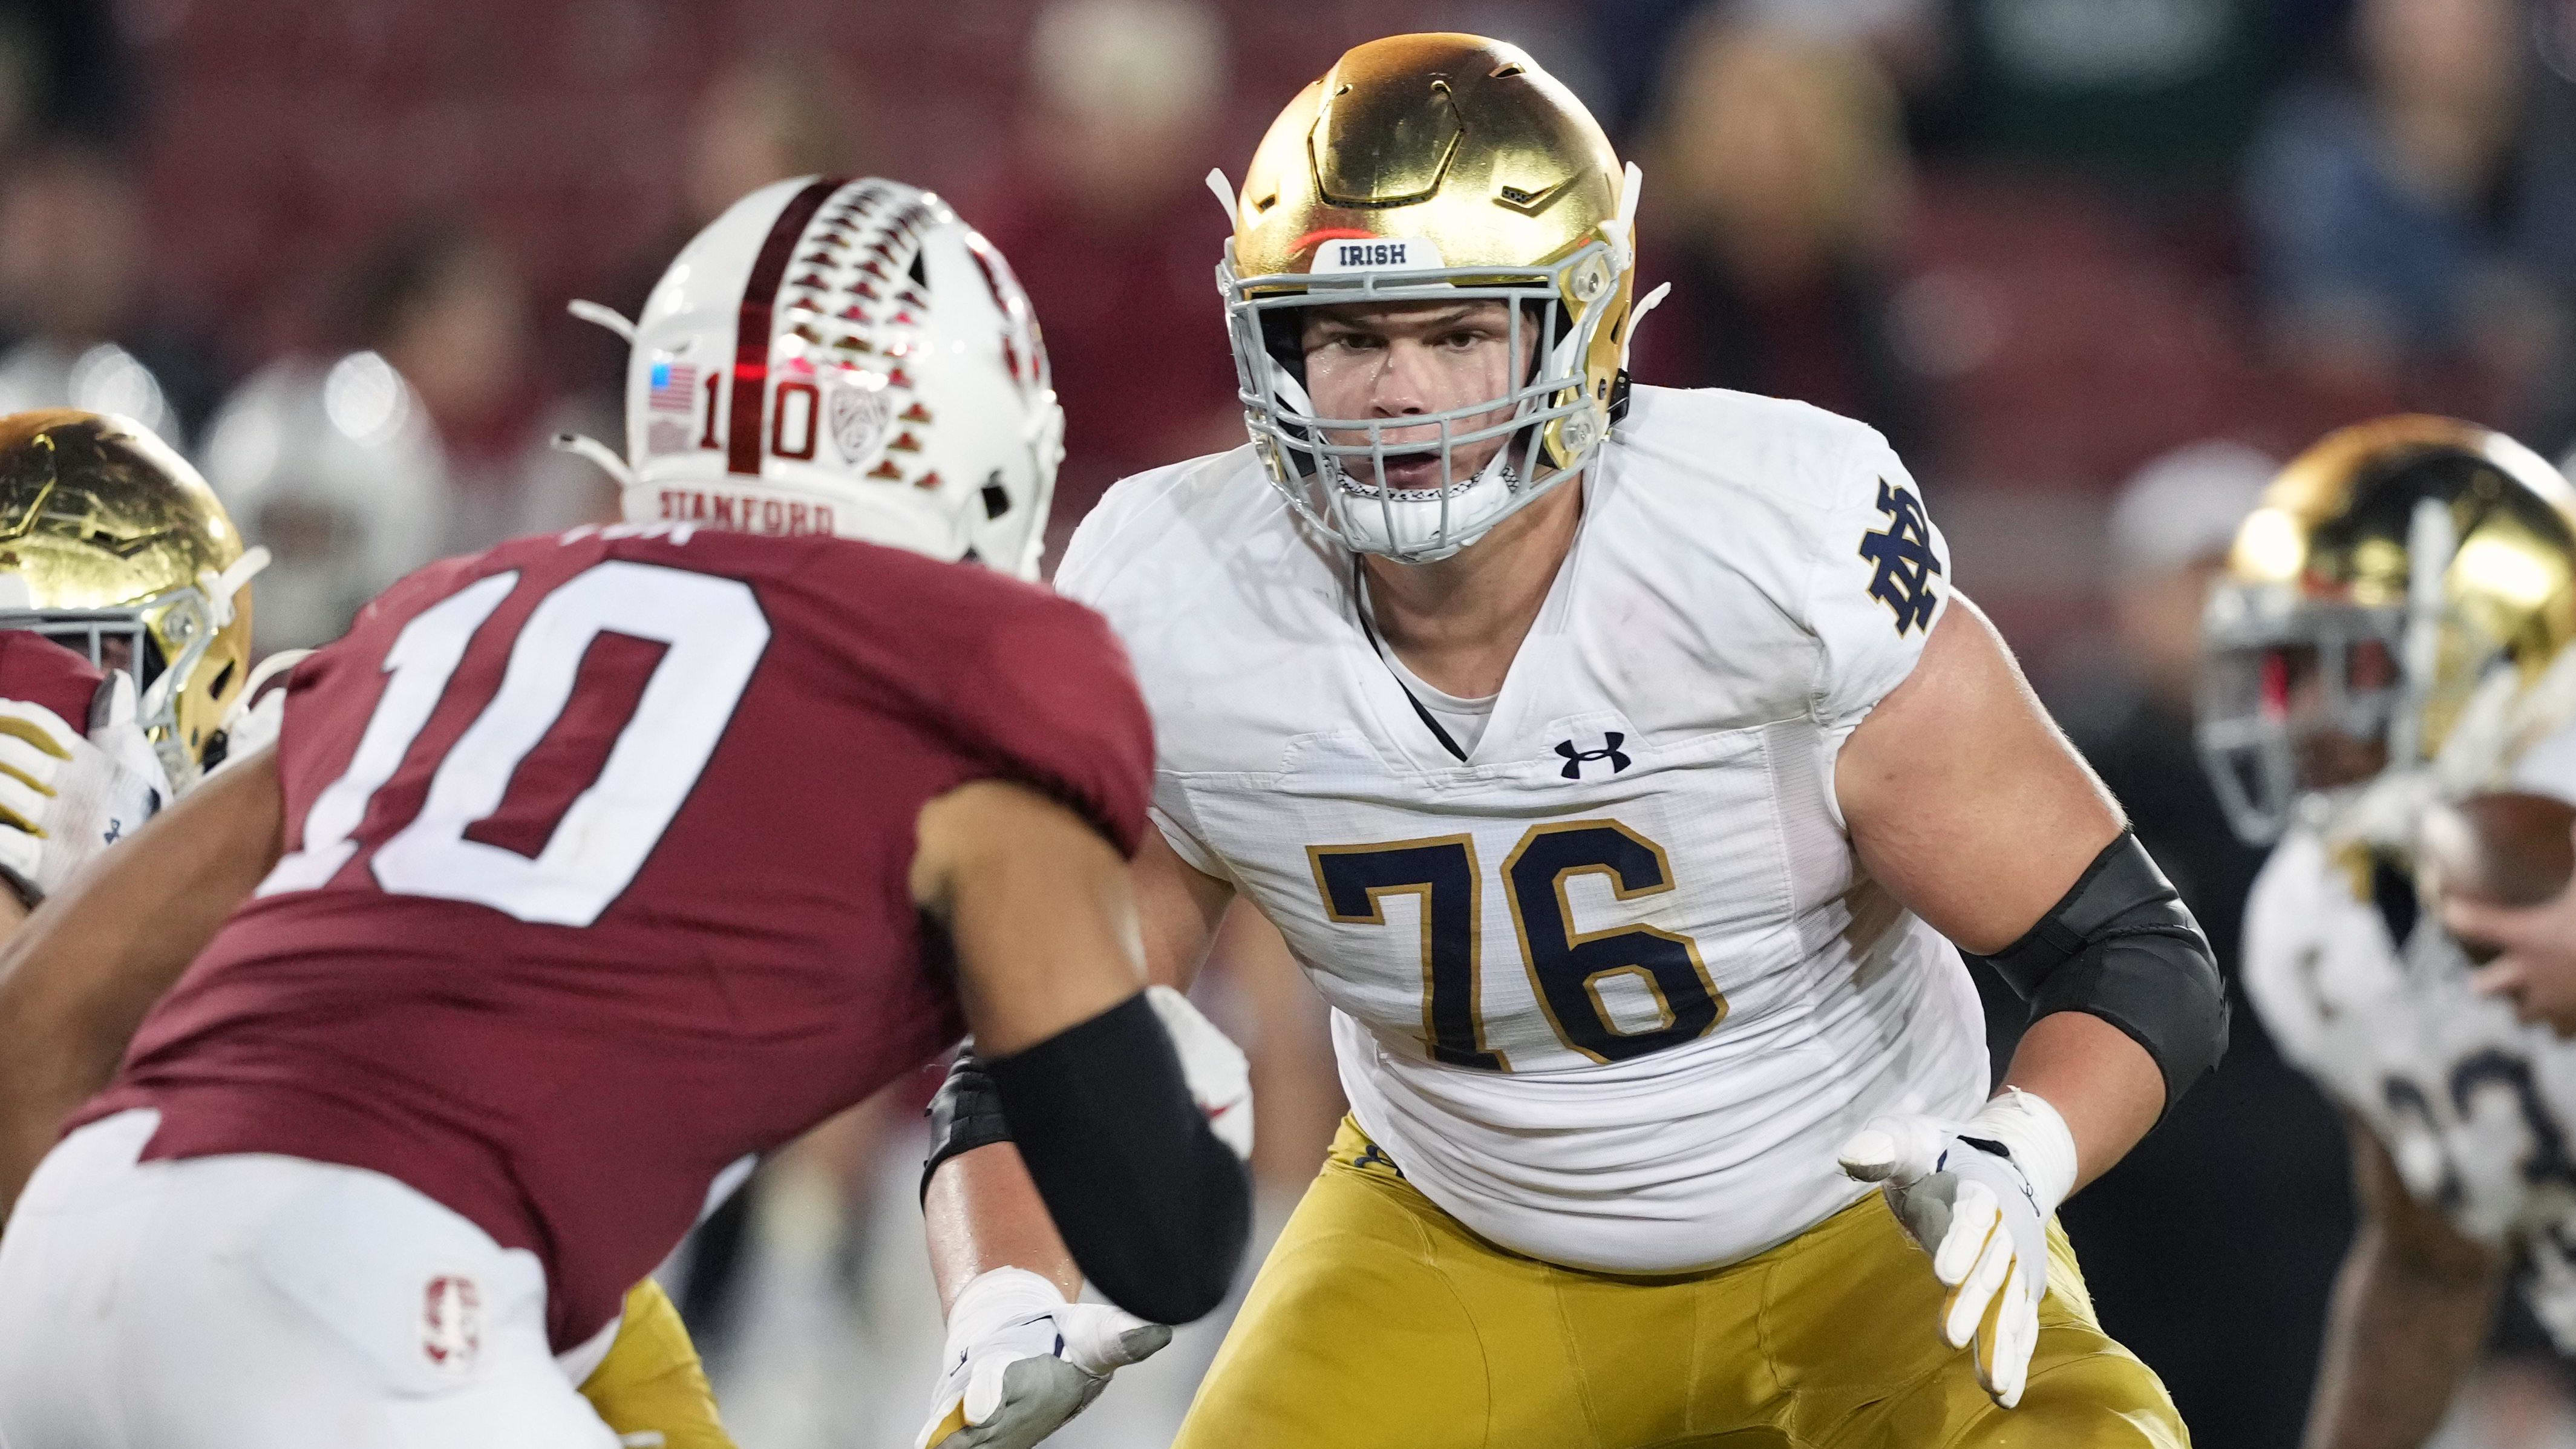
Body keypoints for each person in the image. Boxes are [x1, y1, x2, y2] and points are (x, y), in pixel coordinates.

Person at [915, 34, 2227, 1449]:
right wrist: (999, 1292)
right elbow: (1038, 1041)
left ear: (1578, 327)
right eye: (1351, 337)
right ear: (1271, 338)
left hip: (1855, 1226)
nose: (1398, 395)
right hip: (1455, 1241)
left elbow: (2129, 952)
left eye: (1457, 331)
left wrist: (2016, 1150)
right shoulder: (1174, 593)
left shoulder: (1765, 545)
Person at [0, 177, 1252, 1447]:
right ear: (983, 449)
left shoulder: (449, 615)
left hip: (69, 1250)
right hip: (376, 1295)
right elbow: (1163, 1238)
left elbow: (38, 1014)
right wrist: (1166, 1103)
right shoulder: (979, 690)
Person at [2200, 414, 2576, 1448]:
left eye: (2343, 664)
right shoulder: (2316, 916)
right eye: (2281, 669)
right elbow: (2429, 1257)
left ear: (2492, 635)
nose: (2298, 715)